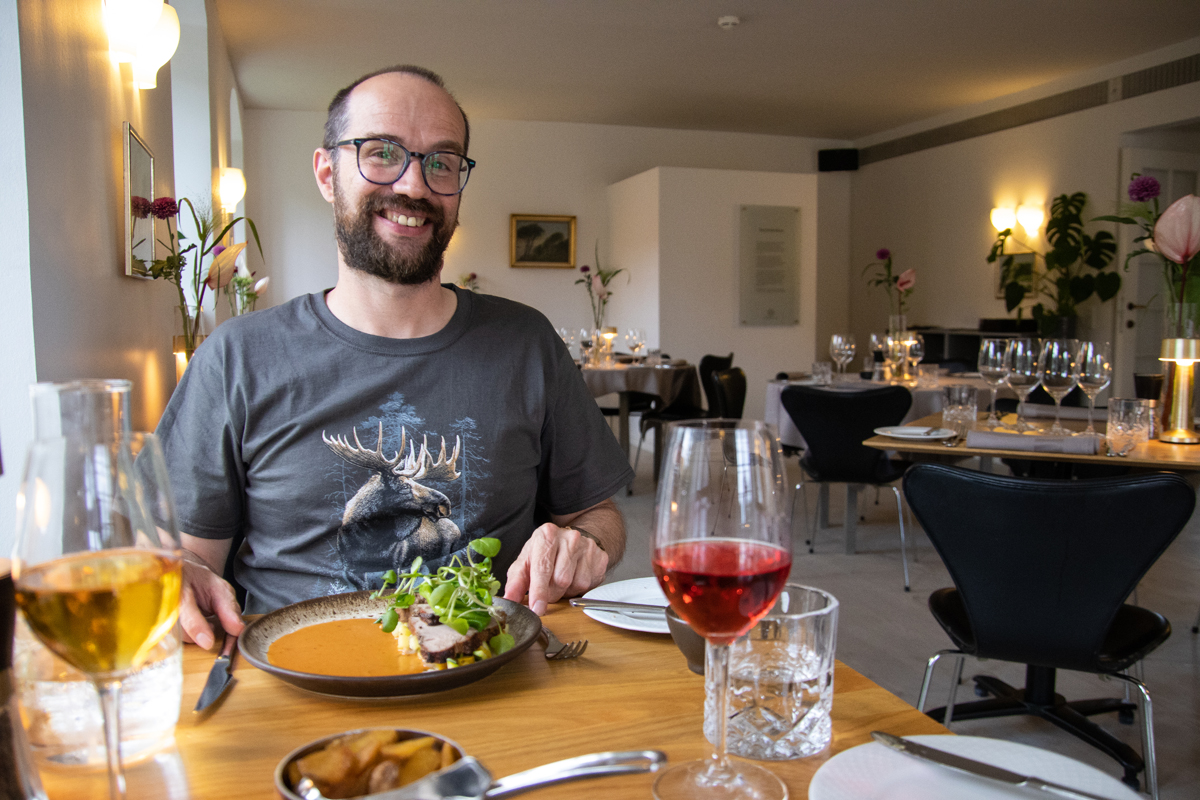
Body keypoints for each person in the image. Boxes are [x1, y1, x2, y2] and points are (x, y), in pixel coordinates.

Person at [158, 65, 634, 649]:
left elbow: (600, 515)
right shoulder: (235, 359)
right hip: (298, 676)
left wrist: (586, 544)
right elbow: (187, 556)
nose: (414, 185)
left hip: (489, 668)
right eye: (381, 153)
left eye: (442, 162)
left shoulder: (527, 343)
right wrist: (178, 575)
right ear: (327, 173)